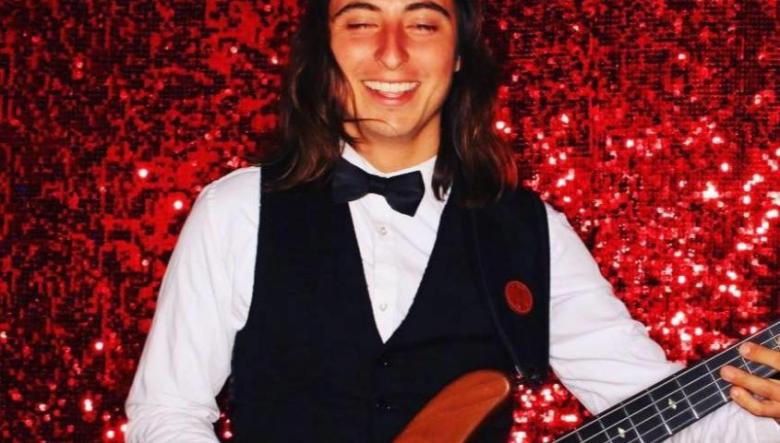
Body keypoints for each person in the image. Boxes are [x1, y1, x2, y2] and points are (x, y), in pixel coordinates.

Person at [125, 0, 780, 441]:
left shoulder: (529, 232)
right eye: (361, 22)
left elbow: (664, 409)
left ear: (459, 54)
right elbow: (166, 413)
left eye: (422, 24)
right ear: (323, 51)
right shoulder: (237, 210)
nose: (391, 54)